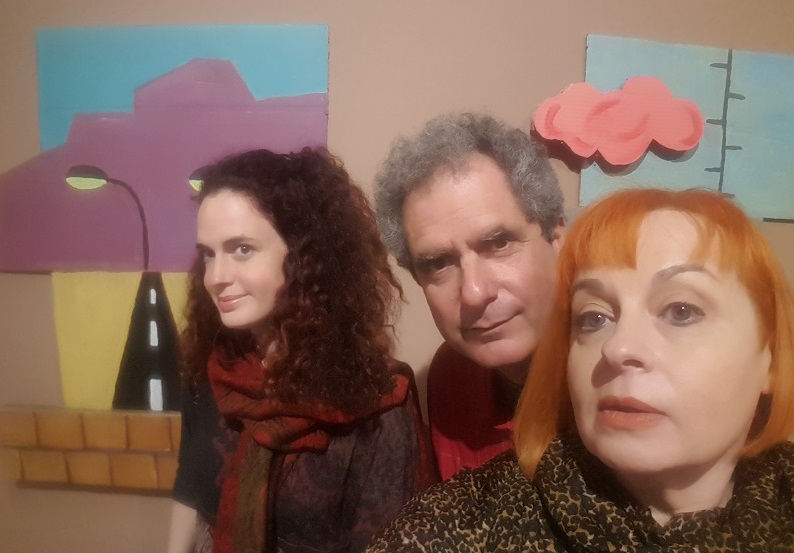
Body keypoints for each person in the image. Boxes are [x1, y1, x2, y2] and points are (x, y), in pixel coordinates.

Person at [367, 187, 794, 551]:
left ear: (771, 356)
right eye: (594, 318)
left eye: (681, 310)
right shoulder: (444, 529)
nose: (618, 347)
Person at [167, 148, 438, 553]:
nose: (216, 277)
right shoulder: (210, 371)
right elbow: (190, 493)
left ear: (301, 256)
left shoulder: (375, 401)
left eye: (242, 249)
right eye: (208, 254)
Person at [374, 112, 565, 479]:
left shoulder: (621, 377)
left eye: (499, 243)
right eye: (439, 263)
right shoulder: (451, 380)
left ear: (556, 239)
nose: (475, 293)